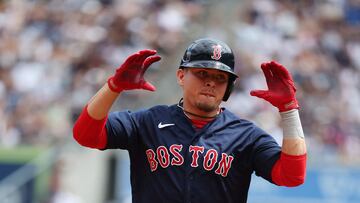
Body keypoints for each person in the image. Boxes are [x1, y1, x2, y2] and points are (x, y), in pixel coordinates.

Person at [73, 38, 306, 203]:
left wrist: (288, 110)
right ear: (181, 76)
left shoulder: (246, 135)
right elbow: (85, 135)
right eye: (202, 73)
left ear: (228, 87)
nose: (211, 82)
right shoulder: (148, 122)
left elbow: (292, 176)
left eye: (220, 77)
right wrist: (113, 87)